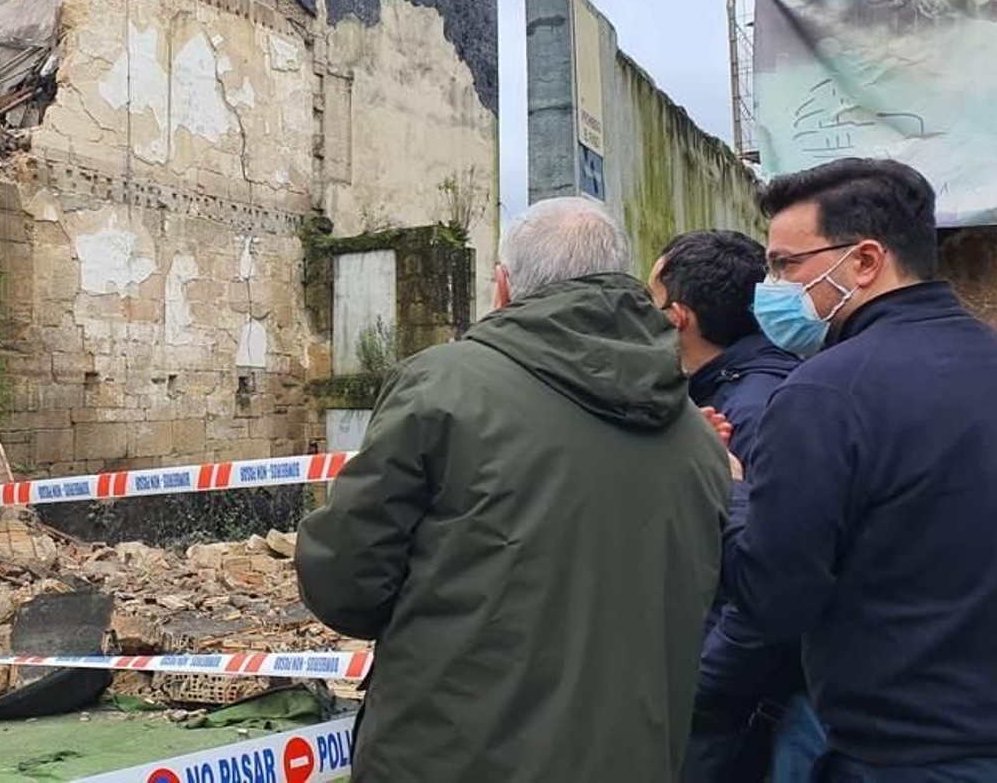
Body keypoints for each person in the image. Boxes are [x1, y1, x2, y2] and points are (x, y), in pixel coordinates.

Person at [296, 197, 731, 782]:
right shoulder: (697, 434)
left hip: (454, 754)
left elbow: (346, 579)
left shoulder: (443, 386)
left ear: (502, 286)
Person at [723, 158, 997, 780]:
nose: (771, 287)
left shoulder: (823, 395)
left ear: (863, 261)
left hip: (898, 752)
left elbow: (774, 600)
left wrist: (733, 491)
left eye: (786, 265)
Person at [648, 231, 815, 783]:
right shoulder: (738, 389)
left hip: (738, 711)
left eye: (650, 303)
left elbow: (767, 585)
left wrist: (700, 688)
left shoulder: (754, 411)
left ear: (679, 318)